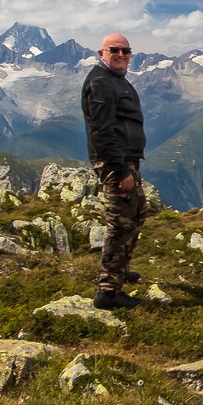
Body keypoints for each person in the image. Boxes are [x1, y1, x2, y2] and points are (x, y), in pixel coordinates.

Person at [82, 32, 146, 309]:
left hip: (127, 160)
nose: (121, 55)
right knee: (120, 224)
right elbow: (101, 129)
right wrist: (120, 171)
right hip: (115, 163)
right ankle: (107, 292)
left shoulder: (115, 80)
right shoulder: (100, 83)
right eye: (114, 50)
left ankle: (120, 269)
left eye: (125, 51)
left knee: (137, 214)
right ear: (102, 53)